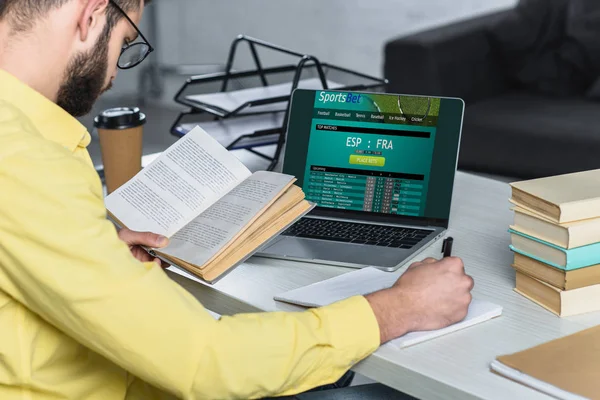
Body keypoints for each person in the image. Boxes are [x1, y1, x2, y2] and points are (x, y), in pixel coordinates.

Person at [0, 1, 475, 399]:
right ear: (90, 15)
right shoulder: (21, 158)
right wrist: (396, 308)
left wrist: (95, 250)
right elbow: (206, 362)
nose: (111, 75)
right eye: (124, 44)